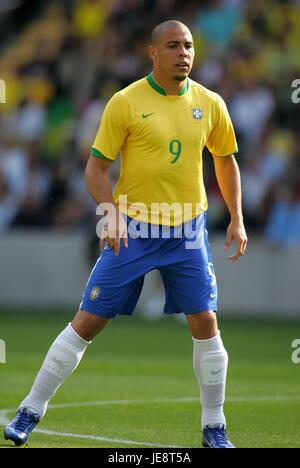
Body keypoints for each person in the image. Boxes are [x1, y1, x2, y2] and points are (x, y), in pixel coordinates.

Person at [4, 20, 247, 449]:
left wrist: (237, 217)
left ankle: (214, 426)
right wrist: (110, 214)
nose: (183, 53)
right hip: (133, 228)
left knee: (206, 321)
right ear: (153, 52)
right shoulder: (126, 101)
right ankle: (30, 410)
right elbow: (95, 168)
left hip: (188, 231)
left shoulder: (210, 104)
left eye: (188, 45)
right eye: (173, 46)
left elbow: (225, 160)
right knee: (89, 321)